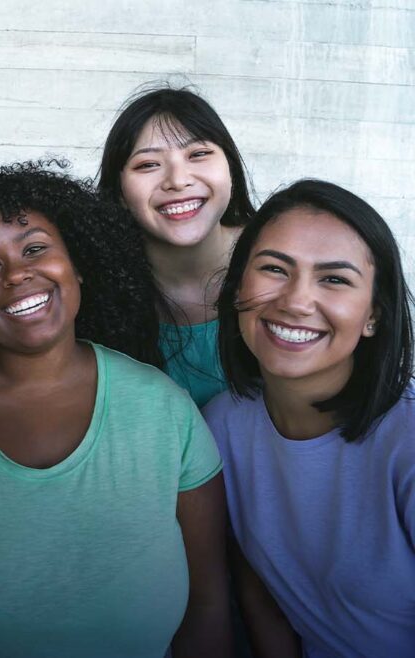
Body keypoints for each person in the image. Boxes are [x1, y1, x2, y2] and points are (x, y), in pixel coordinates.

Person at [0, 163, 231, 657]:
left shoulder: (163, 408)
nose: (17, 273)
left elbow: (210, 605)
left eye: (35, 249)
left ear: (79, 264)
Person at [205, 179, 415, 657]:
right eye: (275, 269)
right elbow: (262, 592)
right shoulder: (222, 425)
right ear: (238, 288)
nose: (296, 301)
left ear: (373, 317)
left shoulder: (407, 440)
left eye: (334, 279)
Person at [98, 87, 255, 407]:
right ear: (119, 193)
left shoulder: (280, 258)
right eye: (148, 165)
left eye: (198, 154)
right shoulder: (98, 290)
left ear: (231, 169)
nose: (178, 180)